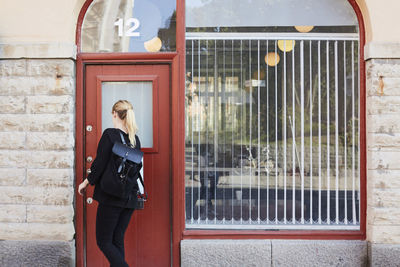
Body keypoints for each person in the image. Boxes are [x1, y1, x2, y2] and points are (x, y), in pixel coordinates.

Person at [78, 100, 141, 267]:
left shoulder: (110, 134)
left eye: (111, 114)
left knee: (104, 241)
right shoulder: (135, 139)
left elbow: (99, 164)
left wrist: (86, 182)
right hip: (130, 197)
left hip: (112, 197)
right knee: (116, 239)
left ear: (114, 114)